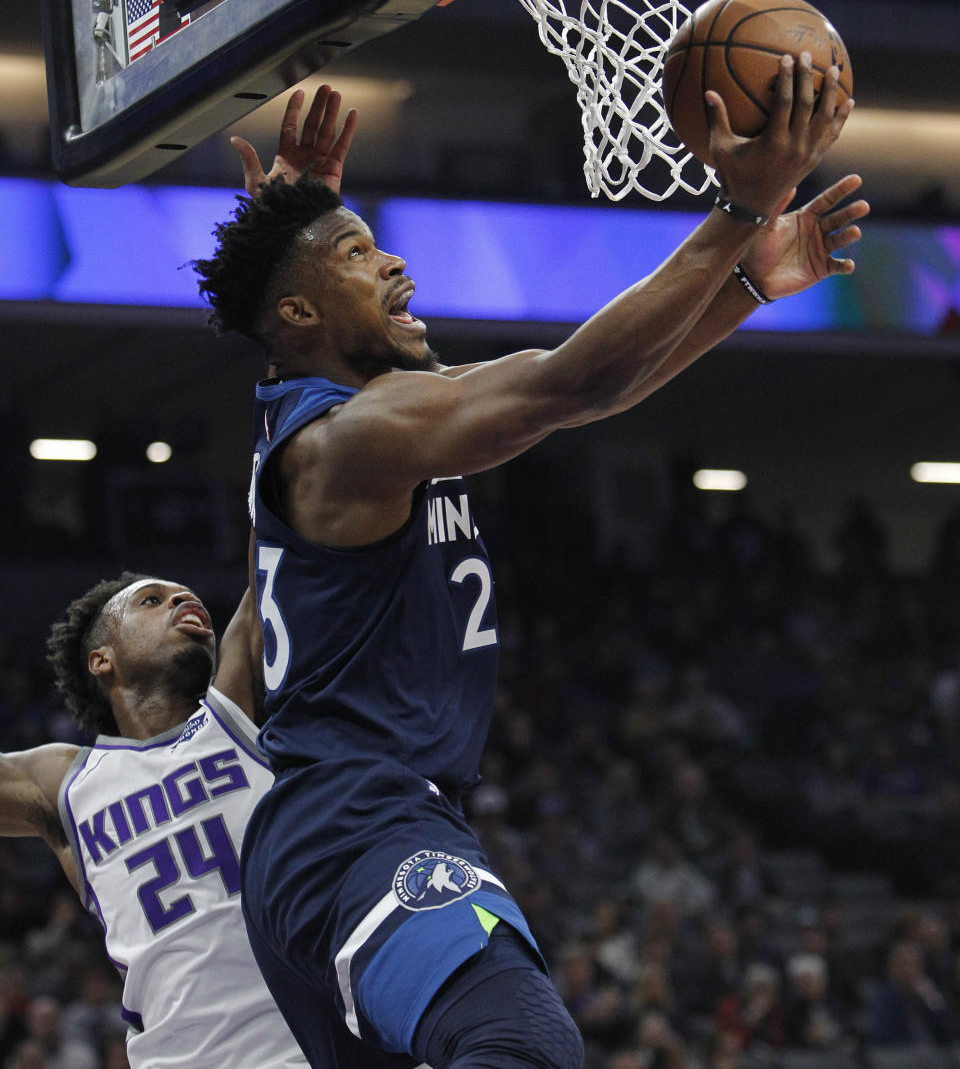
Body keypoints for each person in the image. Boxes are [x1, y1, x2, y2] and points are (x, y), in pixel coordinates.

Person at [194, 55, 863, 1069]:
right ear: (300, 316)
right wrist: (737, 208)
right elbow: (571, 386)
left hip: (338, 832)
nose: (393, 265)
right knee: (522, 1043)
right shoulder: (358, 436)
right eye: (359, 252)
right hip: (354, 823)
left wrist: (745, 283)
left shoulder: (349, 416)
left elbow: (591, 385)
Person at [0, 86, 357, 1069]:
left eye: (181, 591)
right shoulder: (63, 782)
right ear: (105, 660)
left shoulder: (235, 706)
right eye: (152, 600)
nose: (183, 598)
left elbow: (274, 512)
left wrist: (287, 261)